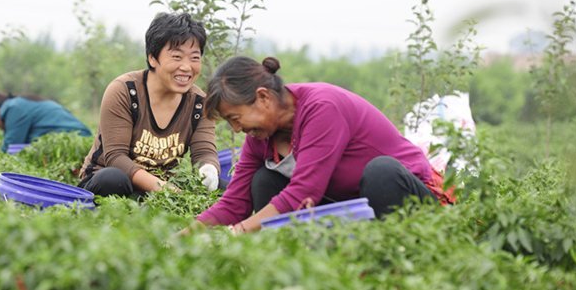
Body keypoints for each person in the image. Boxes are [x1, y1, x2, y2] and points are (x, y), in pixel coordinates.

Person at [183, 55, 454, 235]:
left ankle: (399, 258)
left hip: (407, 197)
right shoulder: (261, 137)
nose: (237, 129)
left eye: (235, 118)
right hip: (353, 206)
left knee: (381, 173)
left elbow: (304, 192)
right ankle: (294, 267)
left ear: (263, 97)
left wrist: (235, 234)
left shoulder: (321, 107)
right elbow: (234, 203)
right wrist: (182, 238)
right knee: (264, 181)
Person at [77, 12, 224, 198]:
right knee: (113, 179)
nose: (187, 67)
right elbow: (115, 158)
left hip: (164, 190)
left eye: (194, 58)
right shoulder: (124, 91)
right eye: (177, 57)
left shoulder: (198, 103)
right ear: (153, 58)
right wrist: (166, 191)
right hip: (110, 182)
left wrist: (208, 170)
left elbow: (204, 151)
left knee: (223, 189)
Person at [0, 91, 92, 152]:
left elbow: (11, 148)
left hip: (77, 139)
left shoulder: (14, 108)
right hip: (81, 138)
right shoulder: (17, 103)